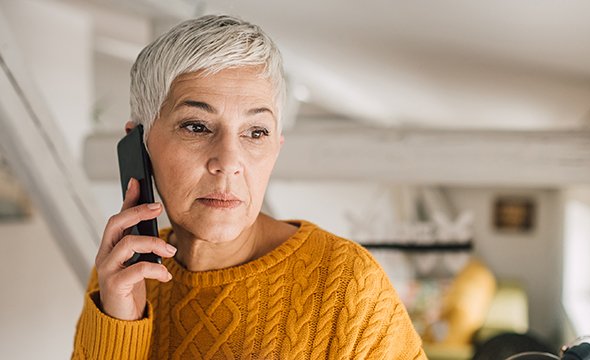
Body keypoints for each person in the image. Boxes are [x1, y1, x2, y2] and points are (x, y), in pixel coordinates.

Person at [72, 14, 426, 359]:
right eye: (196, 126)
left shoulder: (348, 285)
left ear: (276, 148)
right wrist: (118, 326)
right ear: (140, 144)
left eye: (256, 132)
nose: (228, 161)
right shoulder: (121, 273)